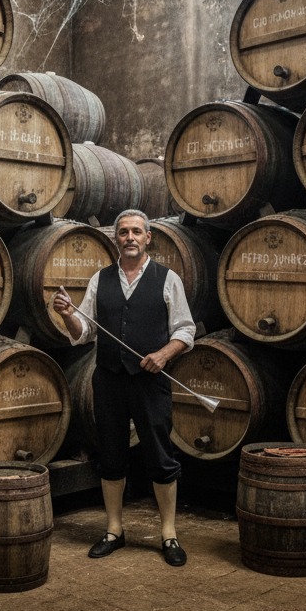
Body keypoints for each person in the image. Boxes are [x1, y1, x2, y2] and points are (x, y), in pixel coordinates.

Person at [52, 208, 197, 566]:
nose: (129, 238)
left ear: (149, 238)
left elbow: (185, 329)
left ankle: (168, 535)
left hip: (151, 383)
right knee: (112, 456)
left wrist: (164, 354)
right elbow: (83, 334)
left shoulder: (168, 279)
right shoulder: (100, 280)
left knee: (161, 458)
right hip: (109, 380)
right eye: (123, 232)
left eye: (136, 232)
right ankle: (114, 530)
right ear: (115, 238)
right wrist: (68, 314)